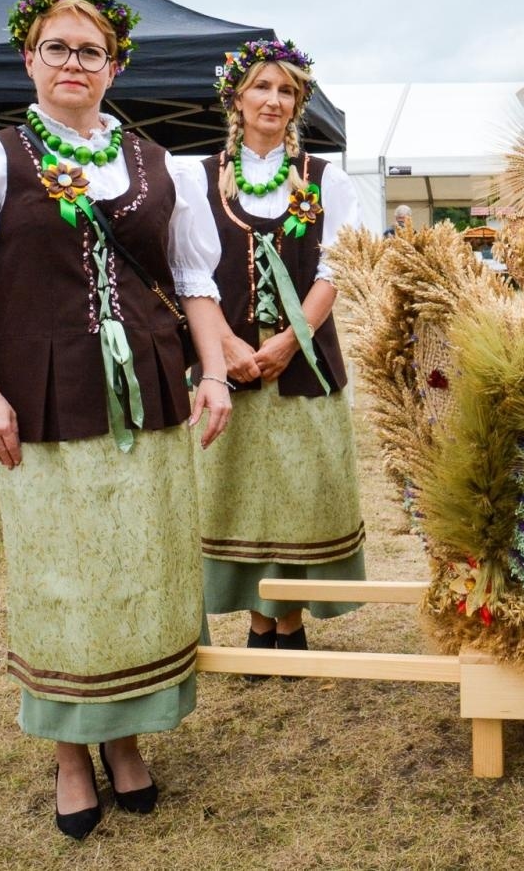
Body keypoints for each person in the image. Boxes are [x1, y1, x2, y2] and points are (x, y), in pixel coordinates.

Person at [0, 0, 233, 838]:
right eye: (56, 48)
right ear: (29, 59)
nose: (72, 63)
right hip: (43, 396)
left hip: (153, 396)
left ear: (115, 66)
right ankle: (68, 750)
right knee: (61, 575)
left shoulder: (161, 164)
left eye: (89, 51)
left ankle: (124, 734)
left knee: (139, 567)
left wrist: (214, 374)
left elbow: (195, 280)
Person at [196, 38, 366, 666]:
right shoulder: (198, 177)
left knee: (300, 487)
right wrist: (227, 343)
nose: (273, 99)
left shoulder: (326, 178)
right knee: (239, 487)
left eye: (286, 90)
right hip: (228, 359)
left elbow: (337, 266)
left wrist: (292, 339)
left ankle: (286, 618)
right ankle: (260, 616)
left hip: (306, 362)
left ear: (298, 104)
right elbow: (188, 273)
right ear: (236, 98)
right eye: (262, 87)